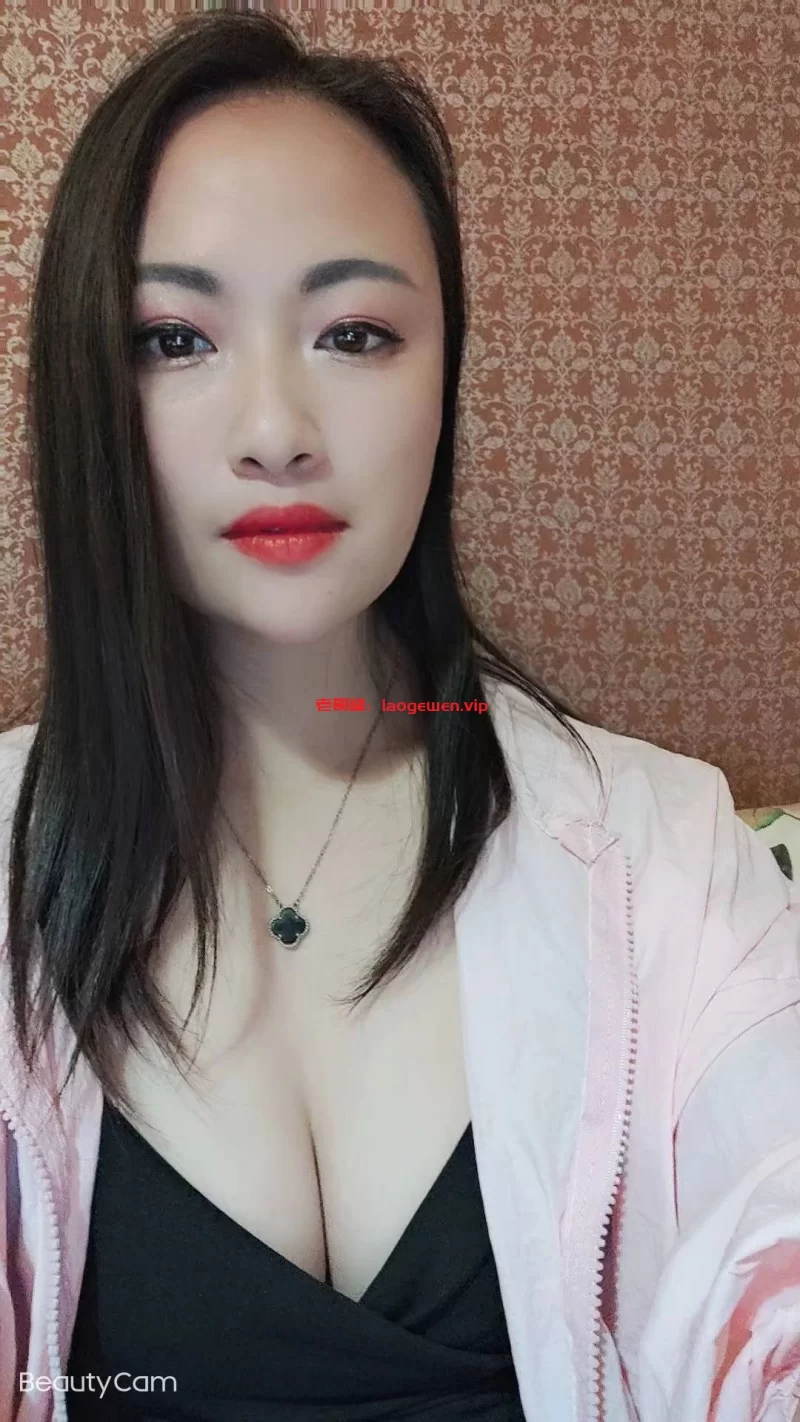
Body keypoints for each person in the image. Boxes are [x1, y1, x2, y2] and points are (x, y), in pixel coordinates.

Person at [0, 10, 799, 1421]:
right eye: (175, 338)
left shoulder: (663, 859)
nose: (276, 430)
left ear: (445, 377)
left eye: (355, 333)